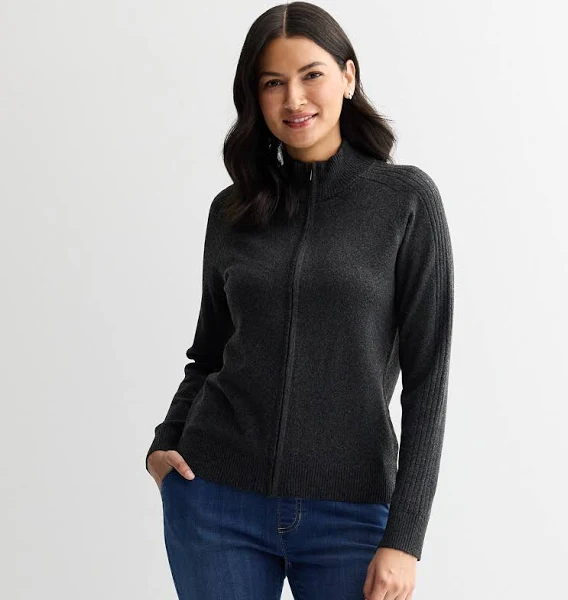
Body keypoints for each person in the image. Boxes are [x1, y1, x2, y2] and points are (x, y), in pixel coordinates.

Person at [145, 2, 454, 599]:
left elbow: (428, 382)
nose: (294, 99)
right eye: (272, 83)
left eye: (311, 74)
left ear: (348, 76)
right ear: (255, 97)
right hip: (216, 501)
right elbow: (208, 354)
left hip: (352, 513)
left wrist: (406, 538)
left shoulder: (406, 201)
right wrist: (167, 440)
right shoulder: (233, 210)